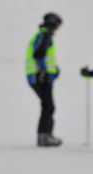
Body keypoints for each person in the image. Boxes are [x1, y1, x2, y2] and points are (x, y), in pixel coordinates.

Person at [26, 12, 63, 147]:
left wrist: (54, 69)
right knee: (48, 106)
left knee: (47, 105)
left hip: (39, 76)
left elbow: (45, 57)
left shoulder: (42, 36)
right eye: (57, 26)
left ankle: (46, 134)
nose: (56, 29)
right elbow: (39, 54)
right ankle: (44, 136)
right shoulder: (44, 36)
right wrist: (43, 72)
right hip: (40, 77)